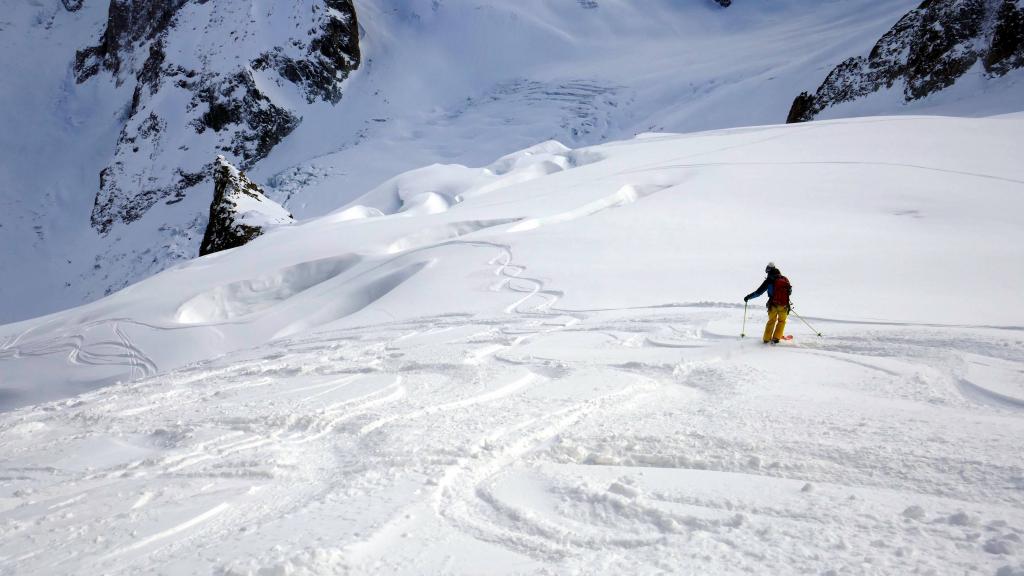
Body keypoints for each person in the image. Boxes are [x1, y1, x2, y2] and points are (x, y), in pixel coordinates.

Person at [744, 262, 792, 344]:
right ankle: (776, 338)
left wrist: (748, 297)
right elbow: (789, 292)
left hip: (773, 304)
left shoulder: (769, 281)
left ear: (768, 270)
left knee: (771, 321)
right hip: (784, 305)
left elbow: (758, 293)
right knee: (781, 321)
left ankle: (766, 339)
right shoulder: (784, 279)